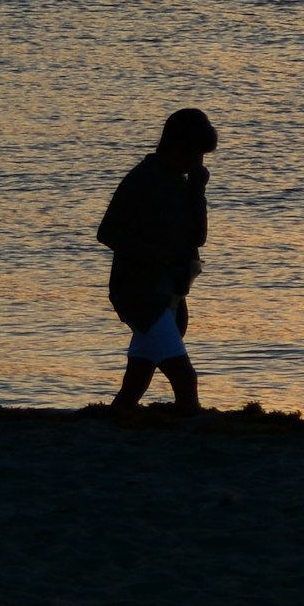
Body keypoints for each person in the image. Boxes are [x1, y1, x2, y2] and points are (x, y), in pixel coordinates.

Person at [96, 109, 218, 413]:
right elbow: (108, 231)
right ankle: (191, 432)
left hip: (170, 292)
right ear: (178, 148)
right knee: (185, 378)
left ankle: (115, 419)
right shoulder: (142, 179)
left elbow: (198, 237)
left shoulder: (182, 183)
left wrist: (197, 191)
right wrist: (155, 255)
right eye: (196, 155)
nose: (199, 163)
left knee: (137, 379)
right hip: (140, 294)